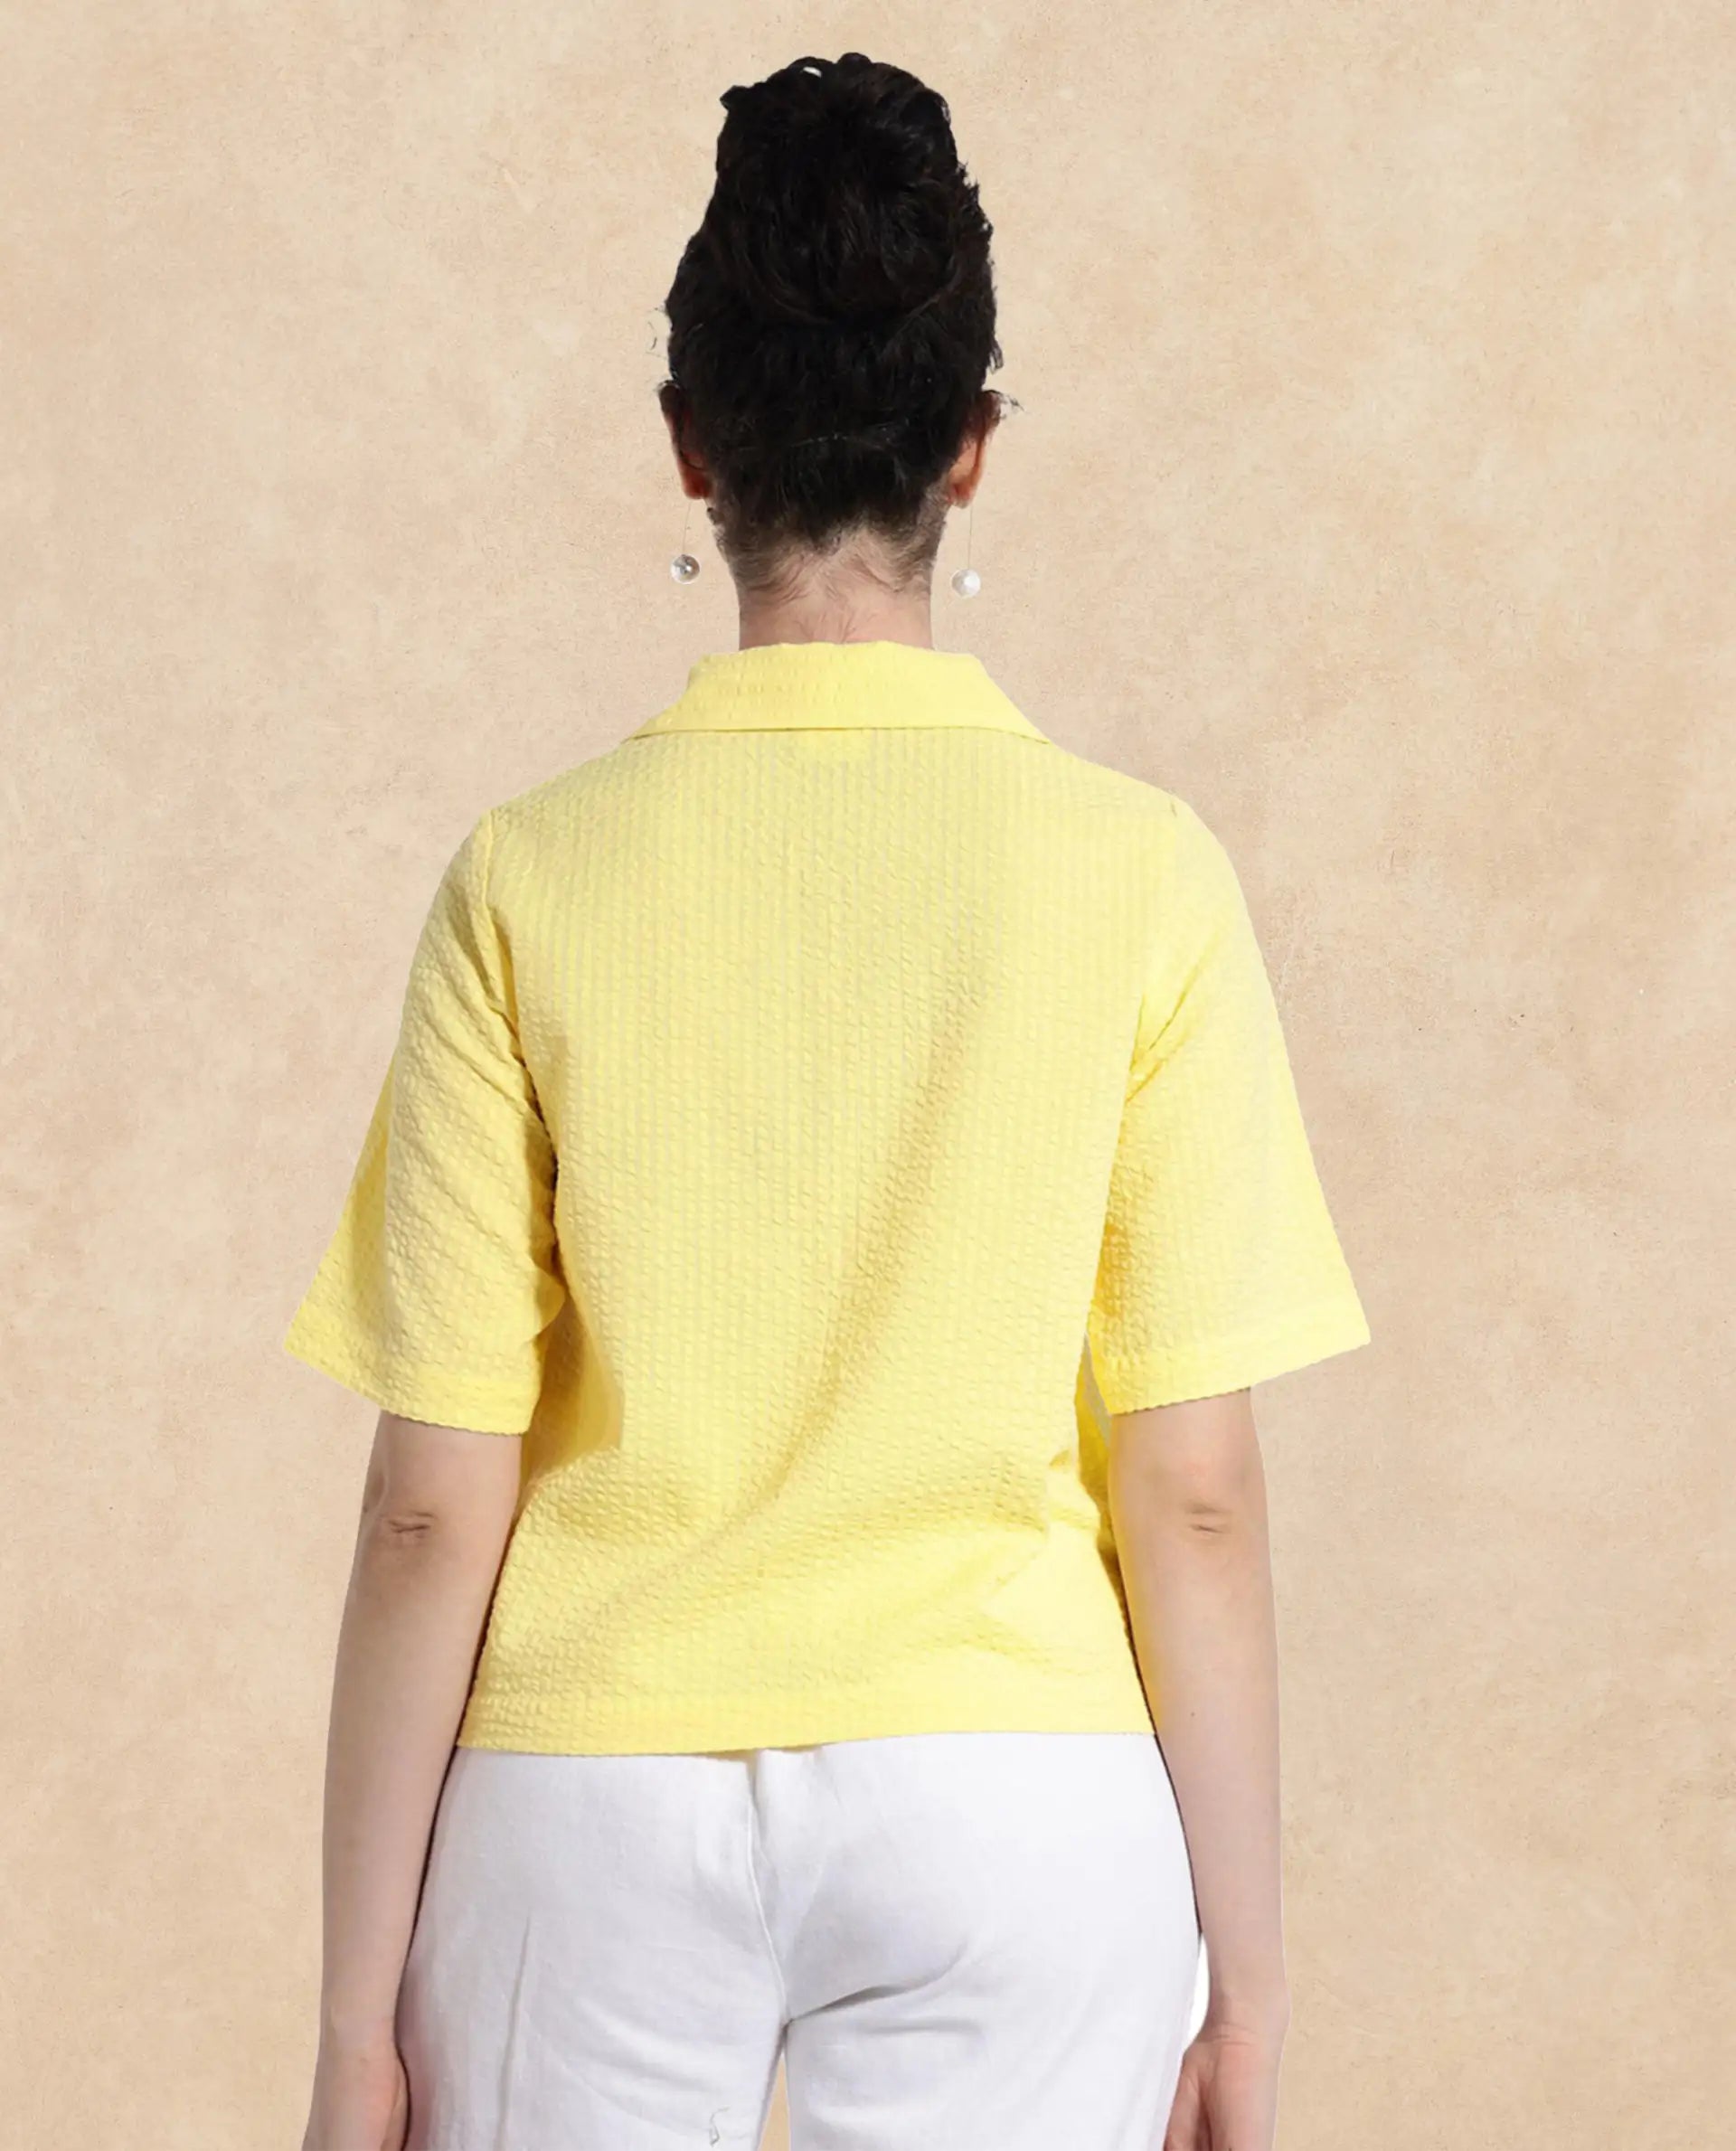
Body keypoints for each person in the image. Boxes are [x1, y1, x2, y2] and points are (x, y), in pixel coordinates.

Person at [287, 49, 1371, 2151]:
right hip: (1018, 1791)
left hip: (592, 1795)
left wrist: (352, 2024)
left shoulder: (528, 876)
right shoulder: (1141, 874)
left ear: (693, 443)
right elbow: (1198, 1492)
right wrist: (1247, 1986)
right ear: (969, 446)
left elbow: (429, 1501)